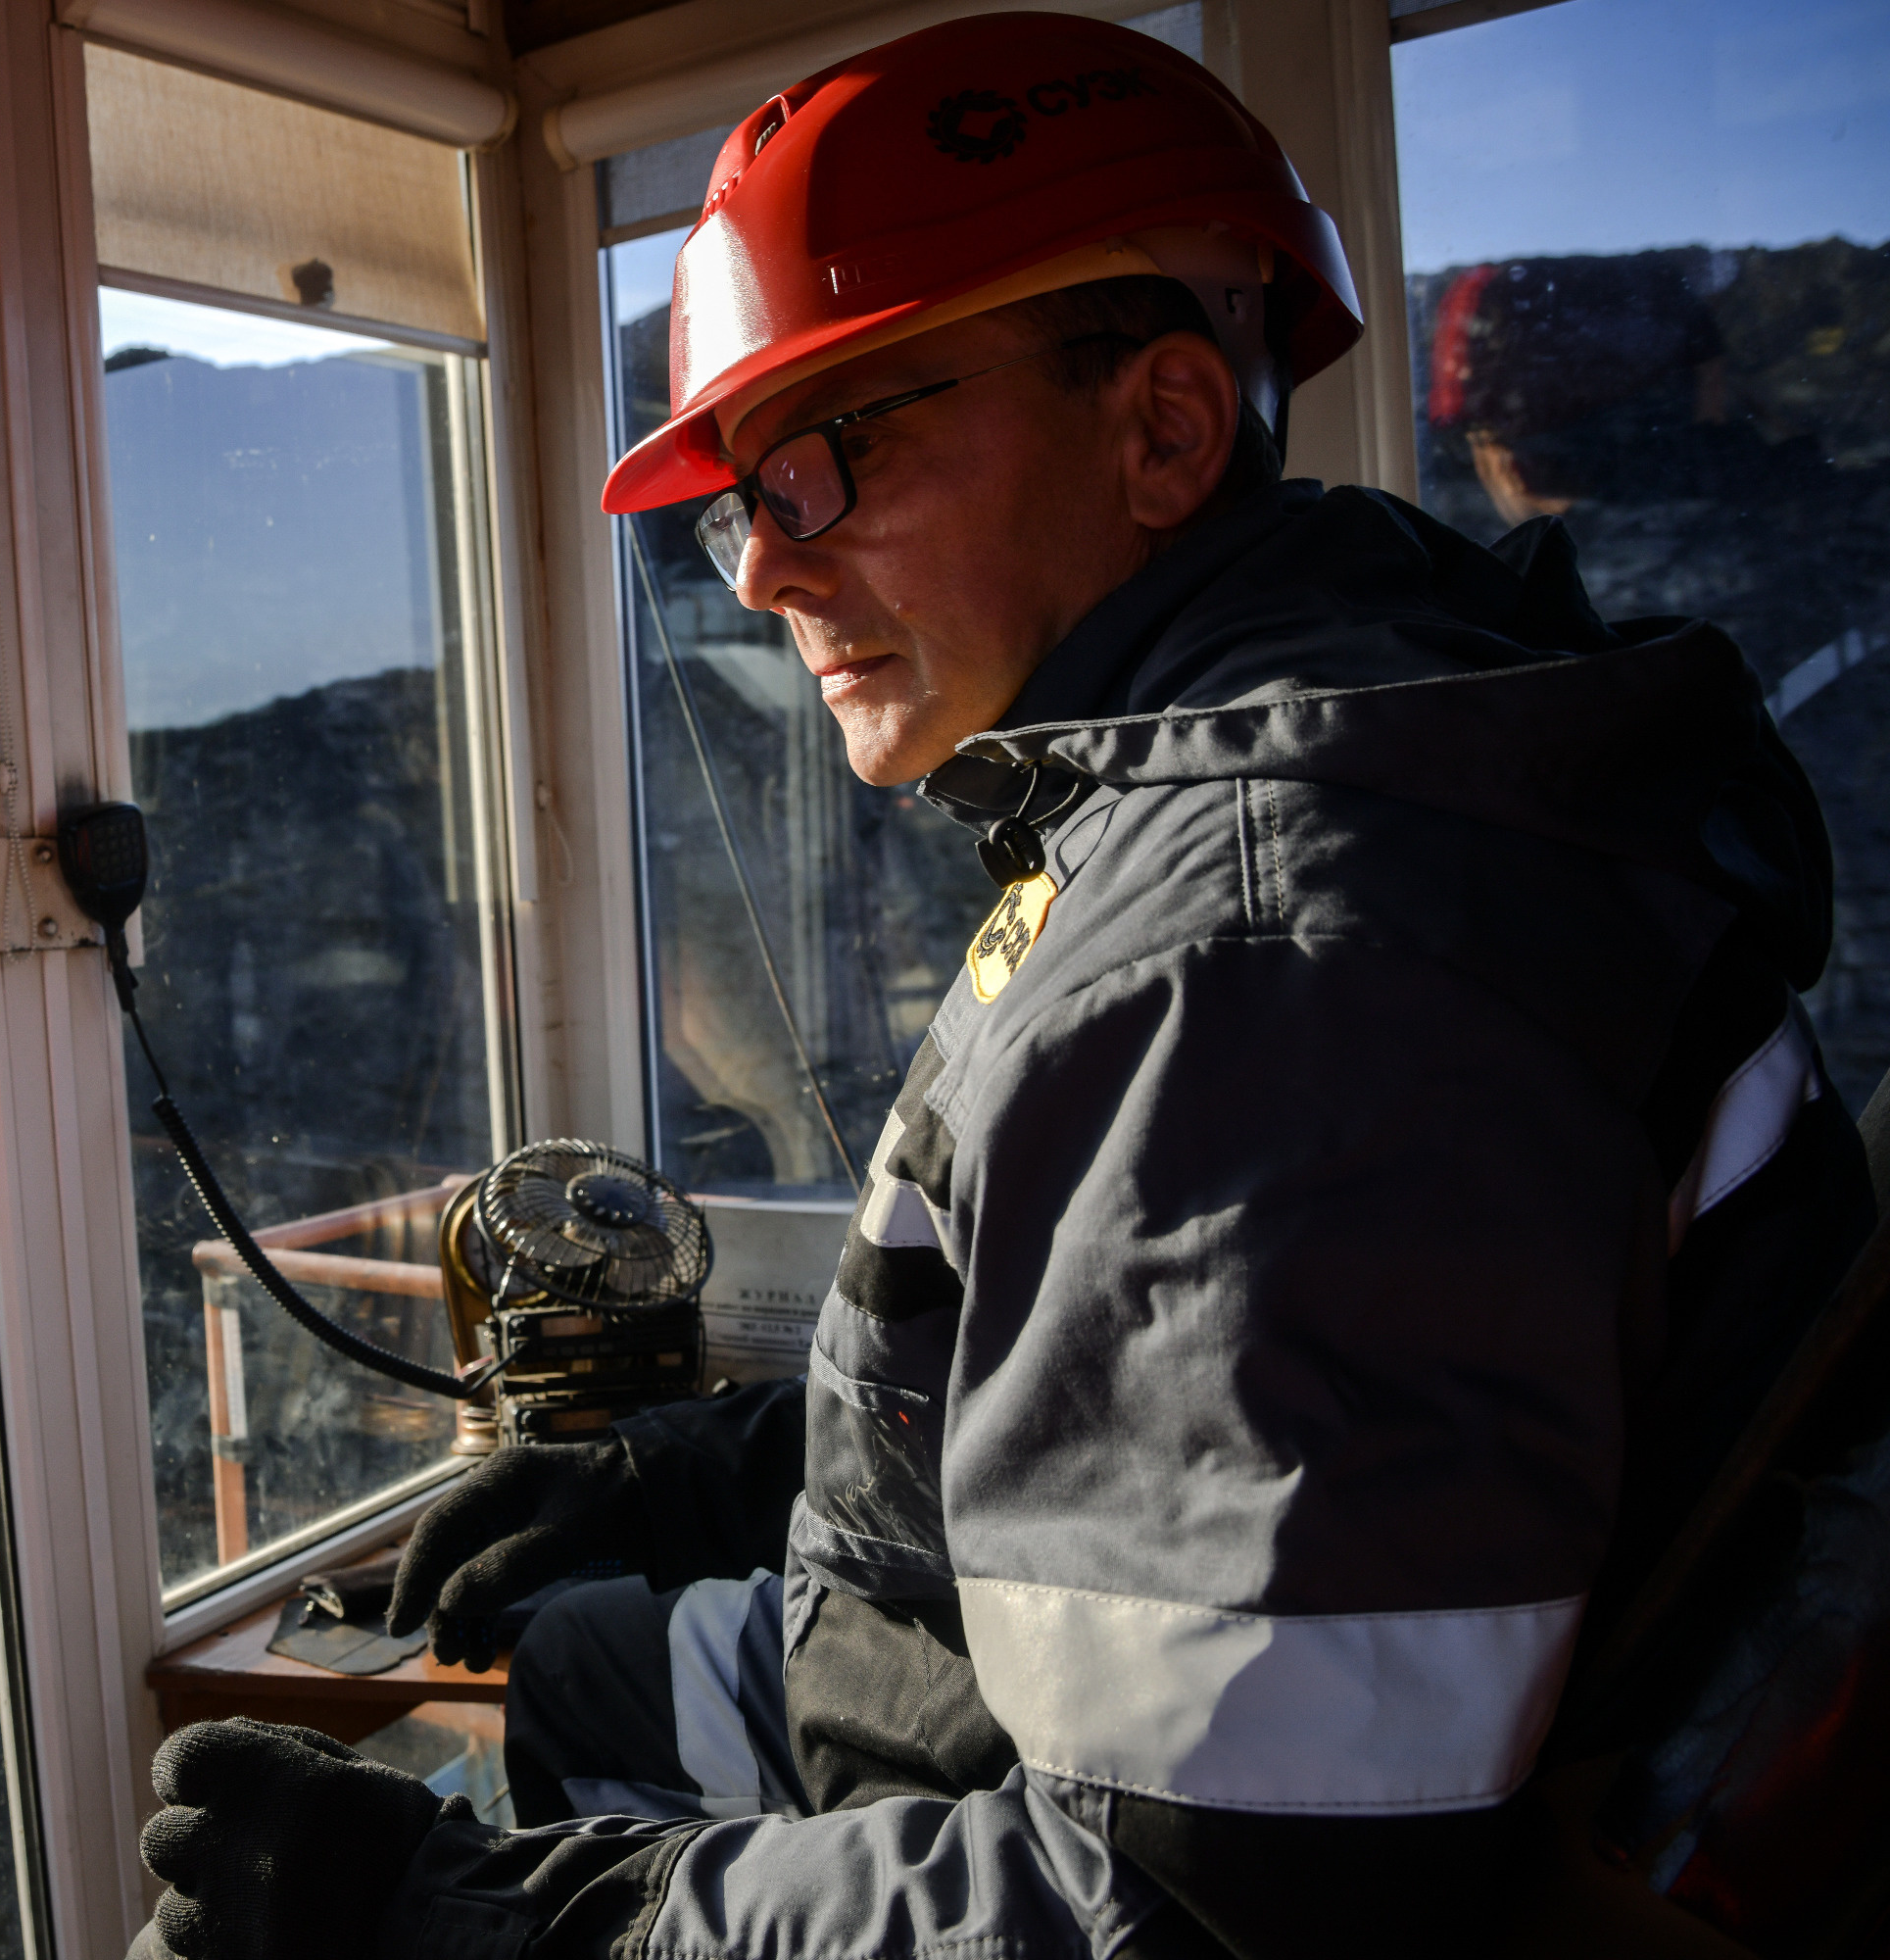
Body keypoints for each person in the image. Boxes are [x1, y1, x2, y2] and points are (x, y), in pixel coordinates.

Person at [128, 13, 1872, 1959]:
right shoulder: (1242, 794)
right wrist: (702, 1471)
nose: (765, 574)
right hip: (998, 1697)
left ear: (1165, 430)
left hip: (1147, 1849)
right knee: (581, 1674)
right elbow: (1145, 1387)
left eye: (825, 458)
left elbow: (1214, 1909)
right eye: (735, 504)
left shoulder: (1271, 939)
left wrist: (494, 1921)